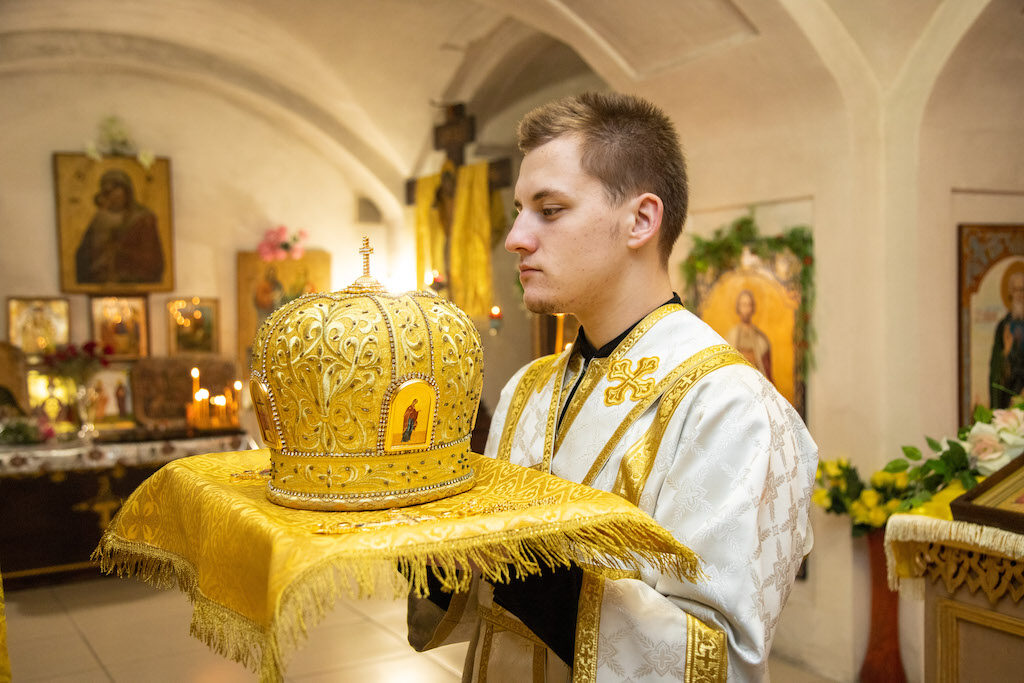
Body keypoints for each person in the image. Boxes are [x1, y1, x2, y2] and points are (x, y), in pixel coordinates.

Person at [407, 92, 817, 681]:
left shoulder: (730, 407)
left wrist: (513, 553)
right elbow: (483, 609)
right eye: (519, 210)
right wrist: (413, 520)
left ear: (641, 221)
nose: (515, 238)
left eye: (549, 210)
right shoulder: (527, 389)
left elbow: (717, 662)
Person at [75, 169, 164, 284]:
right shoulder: (99, 220)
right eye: (107, 192)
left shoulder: (143, 219)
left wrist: (119, 252)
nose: (113, 196)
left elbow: (152, 260)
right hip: (102, 279)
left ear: (127, 192)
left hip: (133, 277)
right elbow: (83, 258)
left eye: (116, 190)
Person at [989, 268, 1024, 409]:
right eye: (1016, 290)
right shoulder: (1003, 326)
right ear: (1010, 292)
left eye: (1023, 290)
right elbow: (995, 369)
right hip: (1009, 394)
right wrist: (1006, 351)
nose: (1020, 294)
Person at [725, 289, 774, 383]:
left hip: (756, 380)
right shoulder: (731, 335)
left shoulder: (761, 338)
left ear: (752, 308)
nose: (746, 309)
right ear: (738, 307)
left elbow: (766, 370)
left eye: (749, 305)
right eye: (743, 305)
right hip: (738, 381)